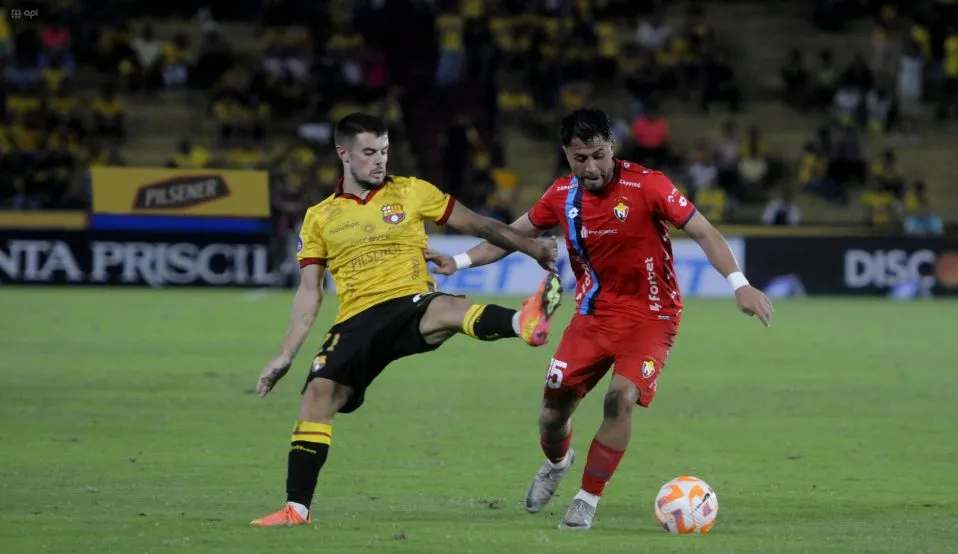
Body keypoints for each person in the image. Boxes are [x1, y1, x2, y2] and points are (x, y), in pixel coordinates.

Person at [429, 108, 773, 530]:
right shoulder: (561, 195)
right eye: (580, 158)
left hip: (652, 317)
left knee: (620, 398)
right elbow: (511, 237)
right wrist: (459, 261)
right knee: (552, 415)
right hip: (592, 316)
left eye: (598, 155)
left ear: (612, 147)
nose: (591, 167)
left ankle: (587, 499)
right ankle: (557, 464)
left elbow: (703, 231)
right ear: (566, 155)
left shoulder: (649, 185)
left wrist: (739, 284)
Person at [250, 113, 561, 527]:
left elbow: (480, 223)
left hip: (409, 300)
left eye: (384, 151)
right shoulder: (319, 217)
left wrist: (530, 248)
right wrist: (285, 353)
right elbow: (310, 290)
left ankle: (523, 322)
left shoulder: (413, 191)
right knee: (319, 395)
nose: (379, 161)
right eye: (368, 152)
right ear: (343, 154)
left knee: (445, 309)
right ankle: (296, 509)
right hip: (357, 319)